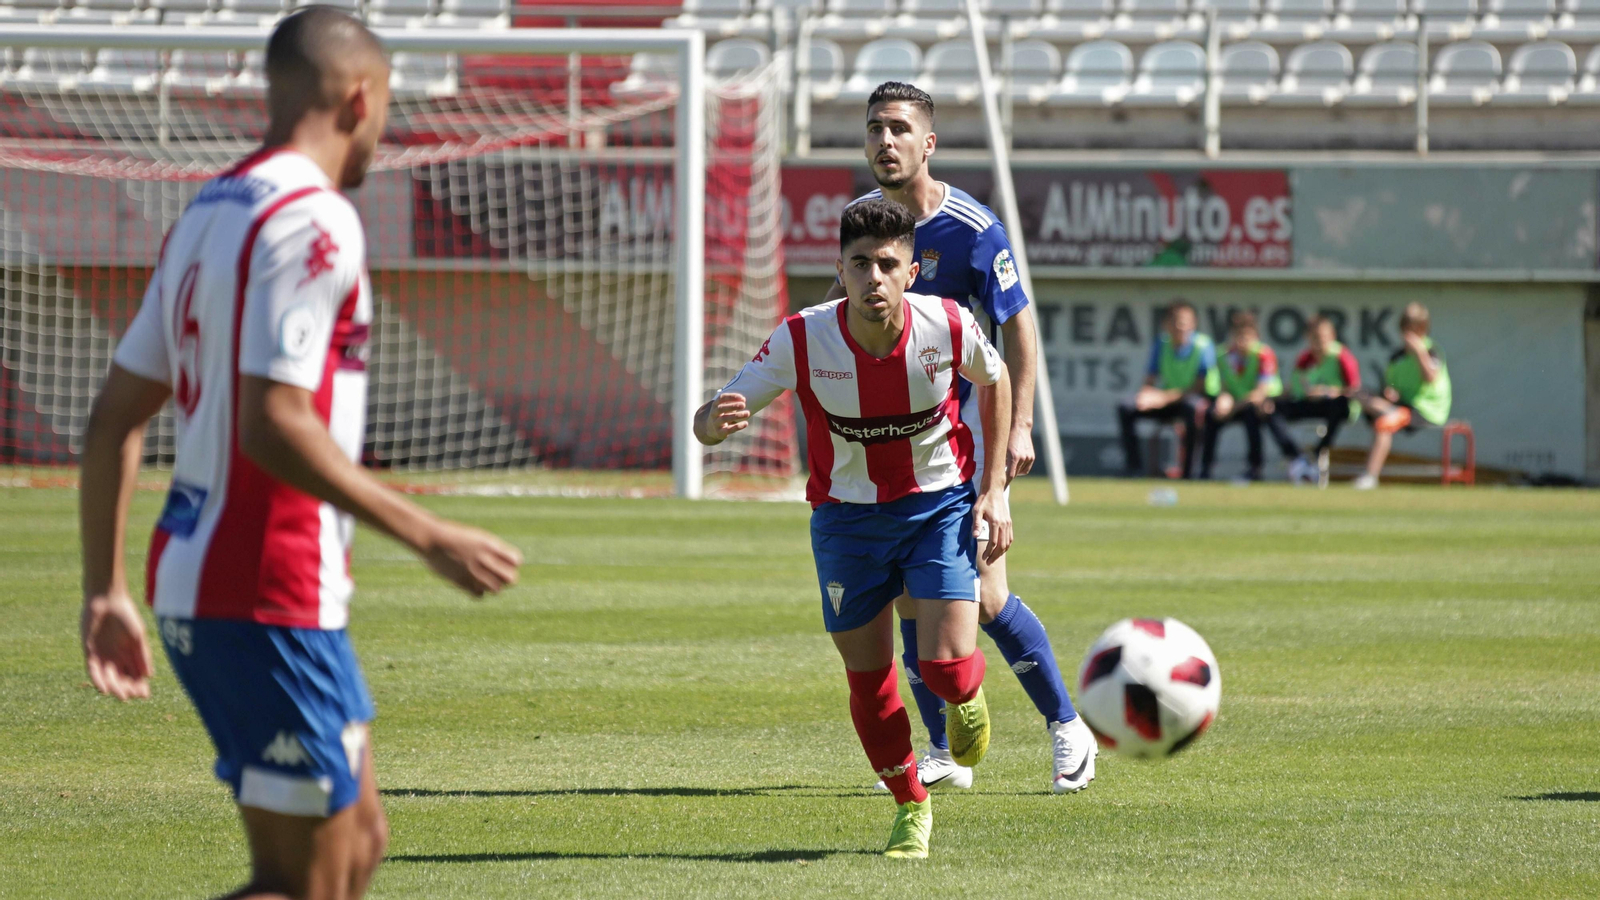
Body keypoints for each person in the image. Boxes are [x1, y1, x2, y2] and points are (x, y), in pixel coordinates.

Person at [76, 11, 523, 899]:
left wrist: (106, 589)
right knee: (305, 881)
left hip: (227, 578)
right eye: (388, 106)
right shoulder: (314, 217)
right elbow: (271, 422)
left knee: (357, 845)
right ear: (361, 97)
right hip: (261, 585)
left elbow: (112, 419)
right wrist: (427, 533)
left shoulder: (210, 209)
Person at [697, 199, 1010, 858]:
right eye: (860, 263)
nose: (874, 277)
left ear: (914, 271)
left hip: (936, 507)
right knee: (869, 681)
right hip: (846, 522)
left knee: (946, 665)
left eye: (888, 264)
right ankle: (910, 808)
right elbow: (712, 415)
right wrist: (712, 423)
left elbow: (997, 376)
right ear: (839, 269)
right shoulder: (802, 338)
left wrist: (995, 491)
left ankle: (966, 694)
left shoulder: (947, 323)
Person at [824, 82, 1096, 795]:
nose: (886, 141)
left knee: (985, 595)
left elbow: (1019, 330)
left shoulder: (974, 229)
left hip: (967, 438)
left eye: (900, 129)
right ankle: (941, 748)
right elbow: (840, 311)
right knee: (911, 601)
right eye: (875, 129)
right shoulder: (863, 221)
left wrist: (1022, 429)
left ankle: (1068, 726)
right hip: (898, 448)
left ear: (928, 143)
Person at [1353, 302, 1452, 490]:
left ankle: (1370, 476)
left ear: (1423, 330)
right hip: (1401, 406)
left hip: (1425, 410)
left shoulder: (1431, 351)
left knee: (1384, 423)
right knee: (1360, 393)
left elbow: (1431, 377)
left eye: (1415, 330)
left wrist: (1418, 352)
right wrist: (1390, 392)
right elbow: (1390, 386)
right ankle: (1391, 412)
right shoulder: (1397, 356)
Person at [1118, 300, 1220, 479]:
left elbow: (1198, 386)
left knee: (1192, 408)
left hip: (1197, 400)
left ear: (1193, 323)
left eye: (1184, 321)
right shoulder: (1161, 344)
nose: (1180, 326)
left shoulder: (1203, 345)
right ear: (1166, 324)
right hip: (1168, 401)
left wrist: (1163, 398)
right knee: (1126, 407)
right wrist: (1145, 396)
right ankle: (1133, 469)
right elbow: (1150, 379)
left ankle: (1188, 473)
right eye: (1175, 321)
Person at [1264, 314, 1362, 485]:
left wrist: (1328, 391)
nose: (1320, 342)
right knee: (1272, 409)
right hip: (1311, 404)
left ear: (1332, 336)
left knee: (1338, 405)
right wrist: (1270, 399)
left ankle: (1318, 452)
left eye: (1324, 337)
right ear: (1308, 338)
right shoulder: (1305, 358)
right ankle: (1296, 457)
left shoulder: (1342, 356)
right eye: (1315, 338)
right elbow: (1293, 388)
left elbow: (1354, 389)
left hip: (1337, 405)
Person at [1199, 310, 1281, 481]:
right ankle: (1205, 468)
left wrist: (1234, 407)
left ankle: (1255, 468)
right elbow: (1222, 386)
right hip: (1234, 404)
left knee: (1253, 415)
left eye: (1247, 336)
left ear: (1256, 336)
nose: (1243, 341)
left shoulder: (1263, 354)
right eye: (1239, 336)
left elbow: (1260, 392)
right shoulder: (1223, 355)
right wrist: (1223, 400)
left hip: (1257, 405)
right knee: (1211, 415)